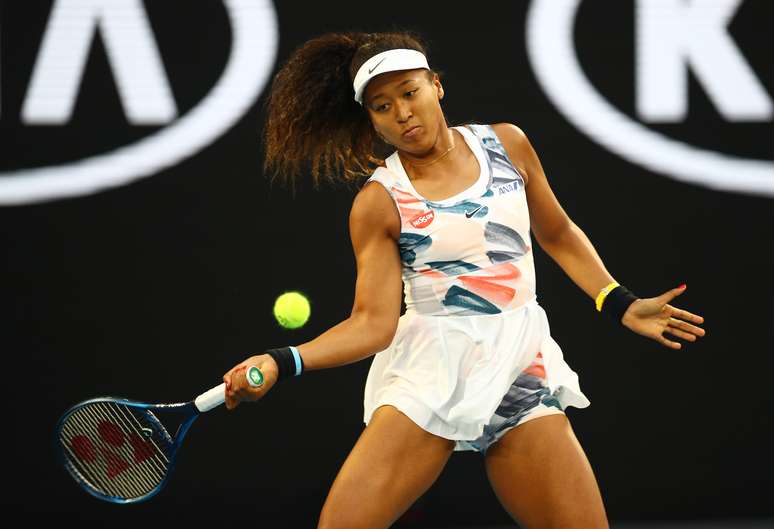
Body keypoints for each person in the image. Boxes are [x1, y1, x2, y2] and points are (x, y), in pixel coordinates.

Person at [222, 31, 706, 529]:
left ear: (436, 86)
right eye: (383, 106)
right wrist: (283, 361)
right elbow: (372, 324)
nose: (403, 113)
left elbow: (557, 232)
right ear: (372, 118)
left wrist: (618, 301)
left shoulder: (507, 143)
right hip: (432, 373)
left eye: (410, 93)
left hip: (520, 364)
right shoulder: (379, 202)